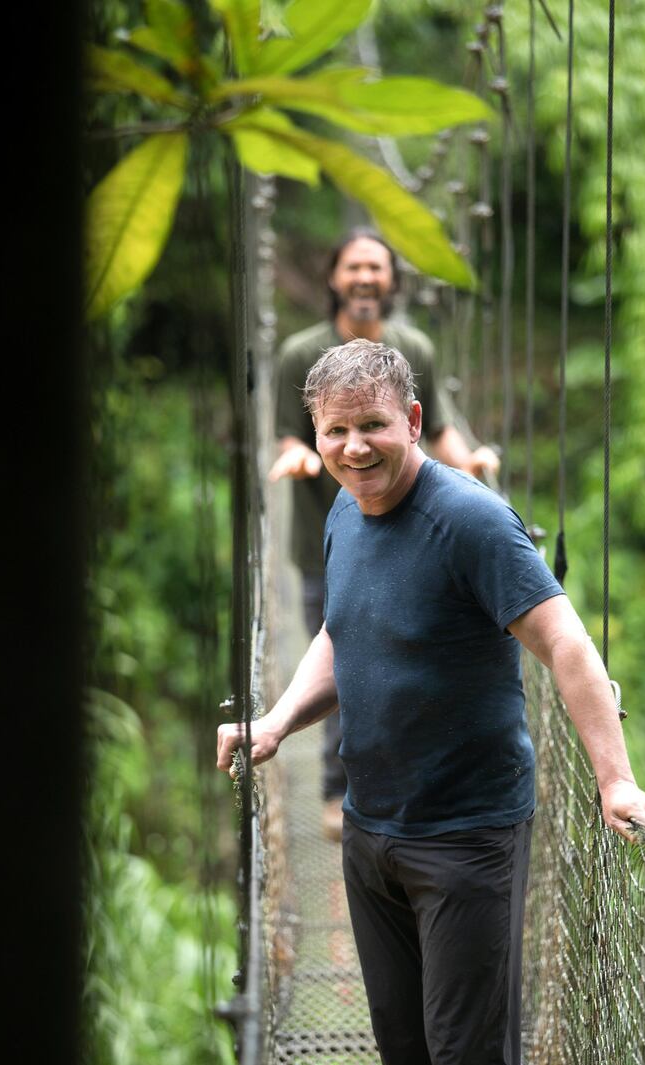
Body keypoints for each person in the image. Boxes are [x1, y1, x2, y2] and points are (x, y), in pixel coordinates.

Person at [219, 340, 645, 1065]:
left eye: (374, 426)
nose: (355, 448)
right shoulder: (344, 510)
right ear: (316, 436)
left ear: (414, 421)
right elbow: (342, 633)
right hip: (371, 835)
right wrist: (277, 722)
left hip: (466, 841)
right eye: (337, 431)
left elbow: (565, 642)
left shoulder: (470, 521)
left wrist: (613, 778)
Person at [270, 228, 500, 839]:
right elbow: (291, 434)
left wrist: (471, 466)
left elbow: (437, 431)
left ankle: (406, 785)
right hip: (325, 537)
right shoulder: (300, 354)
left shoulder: (414, 349)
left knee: (405, 660)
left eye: (376, 267)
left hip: (410, 531)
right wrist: (295, 456)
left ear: (392, 280)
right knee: (342, 660)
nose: (365, 277)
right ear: (334, 278)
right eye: (354, 267)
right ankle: (336, 789)